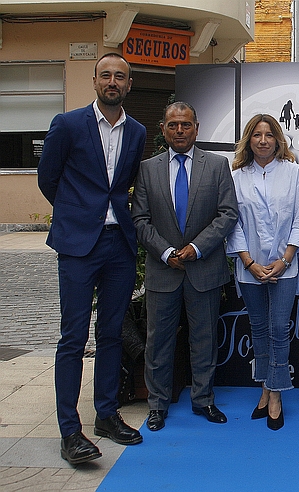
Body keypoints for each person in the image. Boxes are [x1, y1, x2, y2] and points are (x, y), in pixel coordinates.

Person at [38, 51, 146, 464]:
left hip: (119, 243)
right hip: (78, 245)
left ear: (128, 84)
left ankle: (106, 415)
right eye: (106, 75)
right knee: (73, 337)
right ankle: (70, 432)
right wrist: (76, 213)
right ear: (95, 80)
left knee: (112, 333)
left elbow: (127, 182)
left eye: (120, 76)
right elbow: (48, 177)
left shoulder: (136, 131)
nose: (113, 82)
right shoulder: (67, 125)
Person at [132, 102, 238, 432]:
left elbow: (227, 214)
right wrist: (166, 252)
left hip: (203, 269)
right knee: (158, 341)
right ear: (163, 130)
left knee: (204, 340)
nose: (180, 130)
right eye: (173, 125)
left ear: (197, 128)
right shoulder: (148, 169)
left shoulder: (217, 166)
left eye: (186, 125)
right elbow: (140, 219)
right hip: (164, 270)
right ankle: (157, 405)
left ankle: (203, 399)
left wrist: (195, 248)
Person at [226, 114, 299, 430]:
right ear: (249, 140)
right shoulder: (236, 177)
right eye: (257, 135)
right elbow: (232, 225)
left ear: (278, 140)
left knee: (278, 329)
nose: (263, 140)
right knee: (258, 328)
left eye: (269, 135)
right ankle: (265, 387)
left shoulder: (294, 173)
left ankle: (275, 395)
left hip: (284, 268)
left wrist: (285, 260)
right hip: (250, 269)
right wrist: (249, 263)